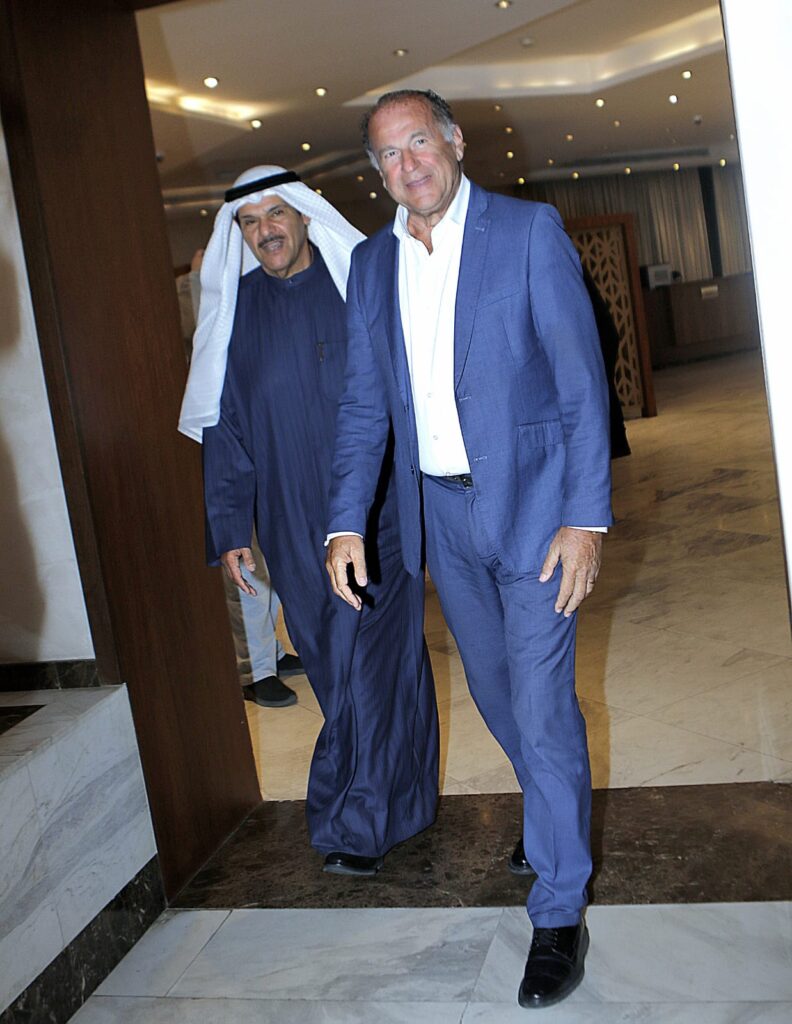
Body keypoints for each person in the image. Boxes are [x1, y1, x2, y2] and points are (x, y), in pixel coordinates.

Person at [325, 92, 612, 1007]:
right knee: (495, 693)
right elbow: (363, 405)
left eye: (419, 141)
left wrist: (586, 519)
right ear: (376, 171)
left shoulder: (526, 233)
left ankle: (559, 908)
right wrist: (343, 520)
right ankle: (550, 811)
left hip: (536, 512)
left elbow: (581, 384)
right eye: (387, 154)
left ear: (452, 140)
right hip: (439, 521)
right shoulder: (371, 265)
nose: (407, 165)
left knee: (542, 704)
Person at [179, 165, 438, 876]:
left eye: (276, 214)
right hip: (290, 527)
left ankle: (354, 822)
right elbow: (225, 431)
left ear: (302, 216)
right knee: (331, 667)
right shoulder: (235, 318)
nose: (265, 230)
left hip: (376, 519)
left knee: (370, 668)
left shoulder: (357, 287)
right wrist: (229, 528)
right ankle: (407, 802)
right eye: (250, 221)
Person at [178, 249, 301, 708]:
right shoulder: (214, 304)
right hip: (233, 451)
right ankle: (254, 670)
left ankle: (270, 652)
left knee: (274, 560)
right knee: (245, 564)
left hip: (272, 450)